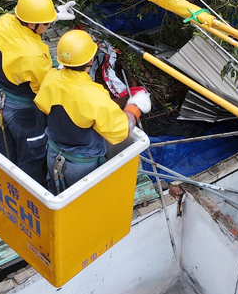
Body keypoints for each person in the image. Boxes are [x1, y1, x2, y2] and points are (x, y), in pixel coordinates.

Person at [34, 30, 151, 194]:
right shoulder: (93, 95)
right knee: (85, 203)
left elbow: (44, 104)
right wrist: (134, 107)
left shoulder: (51, 77)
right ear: (90, 59)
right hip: (81, 168)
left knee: (58, 198)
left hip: (53, 155)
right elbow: (120, 132)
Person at [0, 0, 58, 185]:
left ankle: (7, 184)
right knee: (31, 156)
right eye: (47, 23)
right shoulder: (34, 55)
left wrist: (53, 12)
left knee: (4, 147)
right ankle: (30, 192)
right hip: (22, 112)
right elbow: (45, 92)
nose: (50, 25)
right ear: (32, 24)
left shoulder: (5, 21)